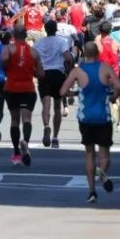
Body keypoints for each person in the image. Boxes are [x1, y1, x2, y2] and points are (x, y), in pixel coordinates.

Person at [60, 41, 120, 204]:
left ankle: (91, 191)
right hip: (103, 117)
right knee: (105, 154)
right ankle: (101, 171)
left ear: (84, 54)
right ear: (97, 53)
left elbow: (63, 91)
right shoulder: (105, 68)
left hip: (85, 118)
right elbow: (119, 85)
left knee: (89, 153)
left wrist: (76, 93)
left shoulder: (78, 71)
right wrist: (113, 97)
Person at [1, 27, 44, 166]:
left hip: (12, 87)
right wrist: (31, 71)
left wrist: (7, 67)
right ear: (26, 36)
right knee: (27, 119)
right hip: (28, 88)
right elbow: (41, 74)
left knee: (14, 120)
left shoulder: (9, 48)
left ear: (14, 35)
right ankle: (25, 141)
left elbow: (3, 60)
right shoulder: (34, 52)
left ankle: (16, 152)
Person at [35, 20, 74, 149]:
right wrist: (69, 67)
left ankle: (46, 126)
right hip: (58, 73)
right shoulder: (61, 42)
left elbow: (33, 57)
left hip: (44, 74)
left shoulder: (39, 42)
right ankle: (55, 138)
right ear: (56, 29)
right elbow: (67, 58)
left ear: (45, 30)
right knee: (57, 107)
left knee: (46, 105)